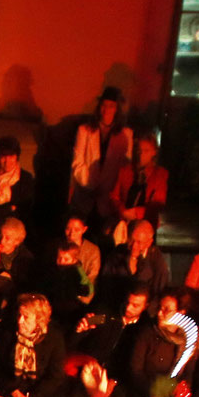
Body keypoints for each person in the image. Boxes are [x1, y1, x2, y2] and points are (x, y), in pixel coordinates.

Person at [70, 89, 133, 224]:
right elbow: (77, 162)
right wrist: (90, 184)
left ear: (117, 109)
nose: (106, 110)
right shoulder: (84, 130)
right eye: (104, 105)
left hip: (109, 200)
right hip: (85, 195)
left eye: (111, 106)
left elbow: (125, 167)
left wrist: (108, 190)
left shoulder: (125, 134)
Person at [107, 134, 168, 239]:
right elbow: (114, 196)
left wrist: (136, 212)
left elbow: (158, 202)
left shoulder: (160, 174)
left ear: (154, 152)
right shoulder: (125, 171)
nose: (141, 155)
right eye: (139, 151)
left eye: (146, 151)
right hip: (124, 223)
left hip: (146, 224)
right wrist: (122, 211)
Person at [104, 216, 169, 306]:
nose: (134, 246)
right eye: (131, 240)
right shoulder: (117, 253)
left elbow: (158, 293)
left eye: (139, 242)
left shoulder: (157, 261)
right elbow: (106, 284)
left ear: (149, 242)